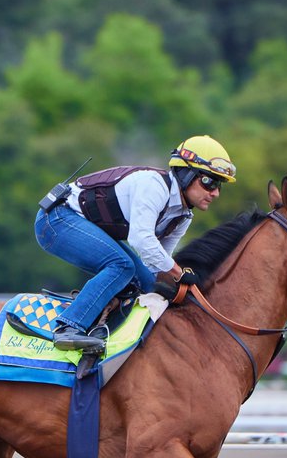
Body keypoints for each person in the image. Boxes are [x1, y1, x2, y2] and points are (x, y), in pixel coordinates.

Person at [33, 135, 236, 352]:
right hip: (55, 220)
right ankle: (69, 328)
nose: (214, 192)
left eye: (219, 186)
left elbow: (155, 264)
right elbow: (141, 241)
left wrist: (190, 289)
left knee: (146, 283)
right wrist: (179, 273)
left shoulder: (183, 216)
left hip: (78, 224)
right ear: (186, 174)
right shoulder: (154, 185)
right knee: (122, 266)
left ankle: (106, 333)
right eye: (209, 182)